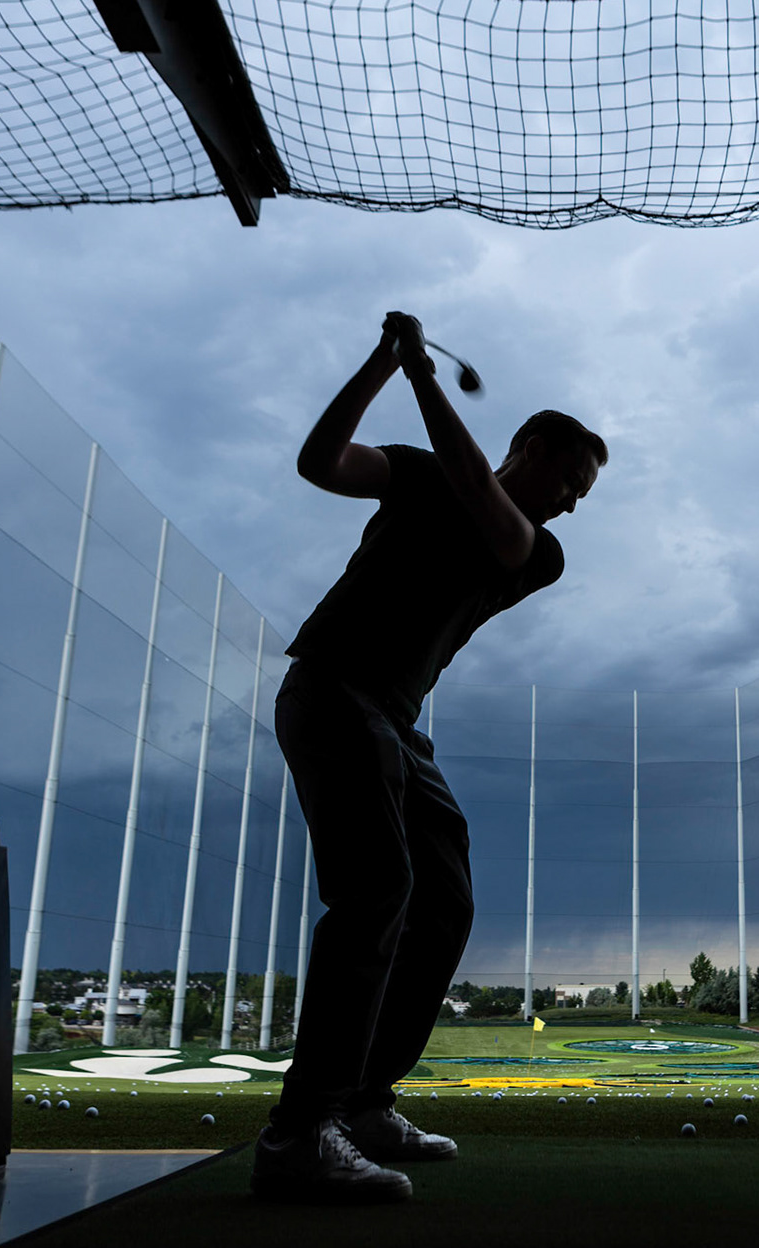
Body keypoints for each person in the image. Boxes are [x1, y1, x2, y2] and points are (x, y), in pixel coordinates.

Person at [251, 312, 605, 1204]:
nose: (572, 499)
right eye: (569, 476)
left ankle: (366, 1102)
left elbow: (486, 502)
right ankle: (302, 1131)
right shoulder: (413, 473)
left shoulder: (537, 551)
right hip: (332, 692)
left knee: (442, 906)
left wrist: (421, 378)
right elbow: (319, 462)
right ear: (530, 446)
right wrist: (381, 364)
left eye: (582, 491)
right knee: (374, 893)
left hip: (397, 726)